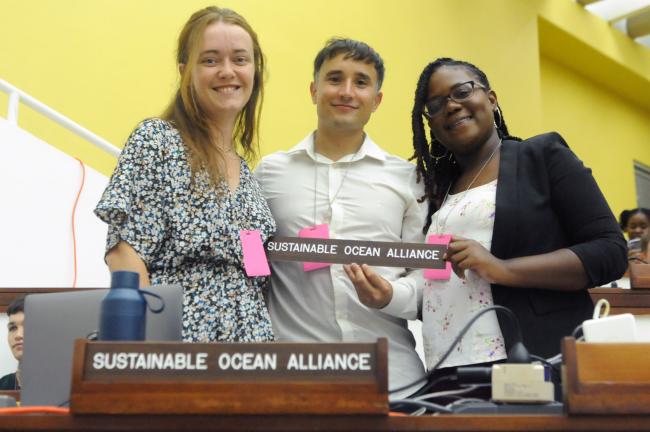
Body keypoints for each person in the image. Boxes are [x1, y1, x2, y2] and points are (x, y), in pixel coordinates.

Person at [355, 57, 627, 370]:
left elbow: (610, 251)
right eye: (437, 104)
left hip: (530, 361)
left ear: (491, 99)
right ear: (430, 124)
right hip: (447, 367)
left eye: (462, 92)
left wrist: (501, 268)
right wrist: (388, 295)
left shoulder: (542, 157)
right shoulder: (436, 193)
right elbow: (440, 286)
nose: (452, 106)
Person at [255, 38, 426, 397]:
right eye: (335, 79)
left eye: (361, 82)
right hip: (293, 380)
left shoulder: (408, 179)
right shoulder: (268, 174)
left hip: (393, 382)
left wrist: (390, 295)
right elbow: (252, 263)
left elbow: (429, 277)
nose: (347, 91)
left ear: (376, 100)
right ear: (314, 90)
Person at [95, 6, 275, 342]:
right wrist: (154, 353)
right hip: (178, 349)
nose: (227, 71)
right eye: (210, 60)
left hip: (252, 358)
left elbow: (254, 276)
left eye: (239, 59)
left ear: (255, 71)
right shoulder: (157, 141)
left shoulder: (250, 180)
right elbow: (125, 256)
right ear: (185, 71)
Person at [0, 297, 24, 390]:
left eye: (27, 325)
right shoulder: (2, 385)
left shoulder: (66, 386)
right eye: (13, 328)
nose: (18, 335)